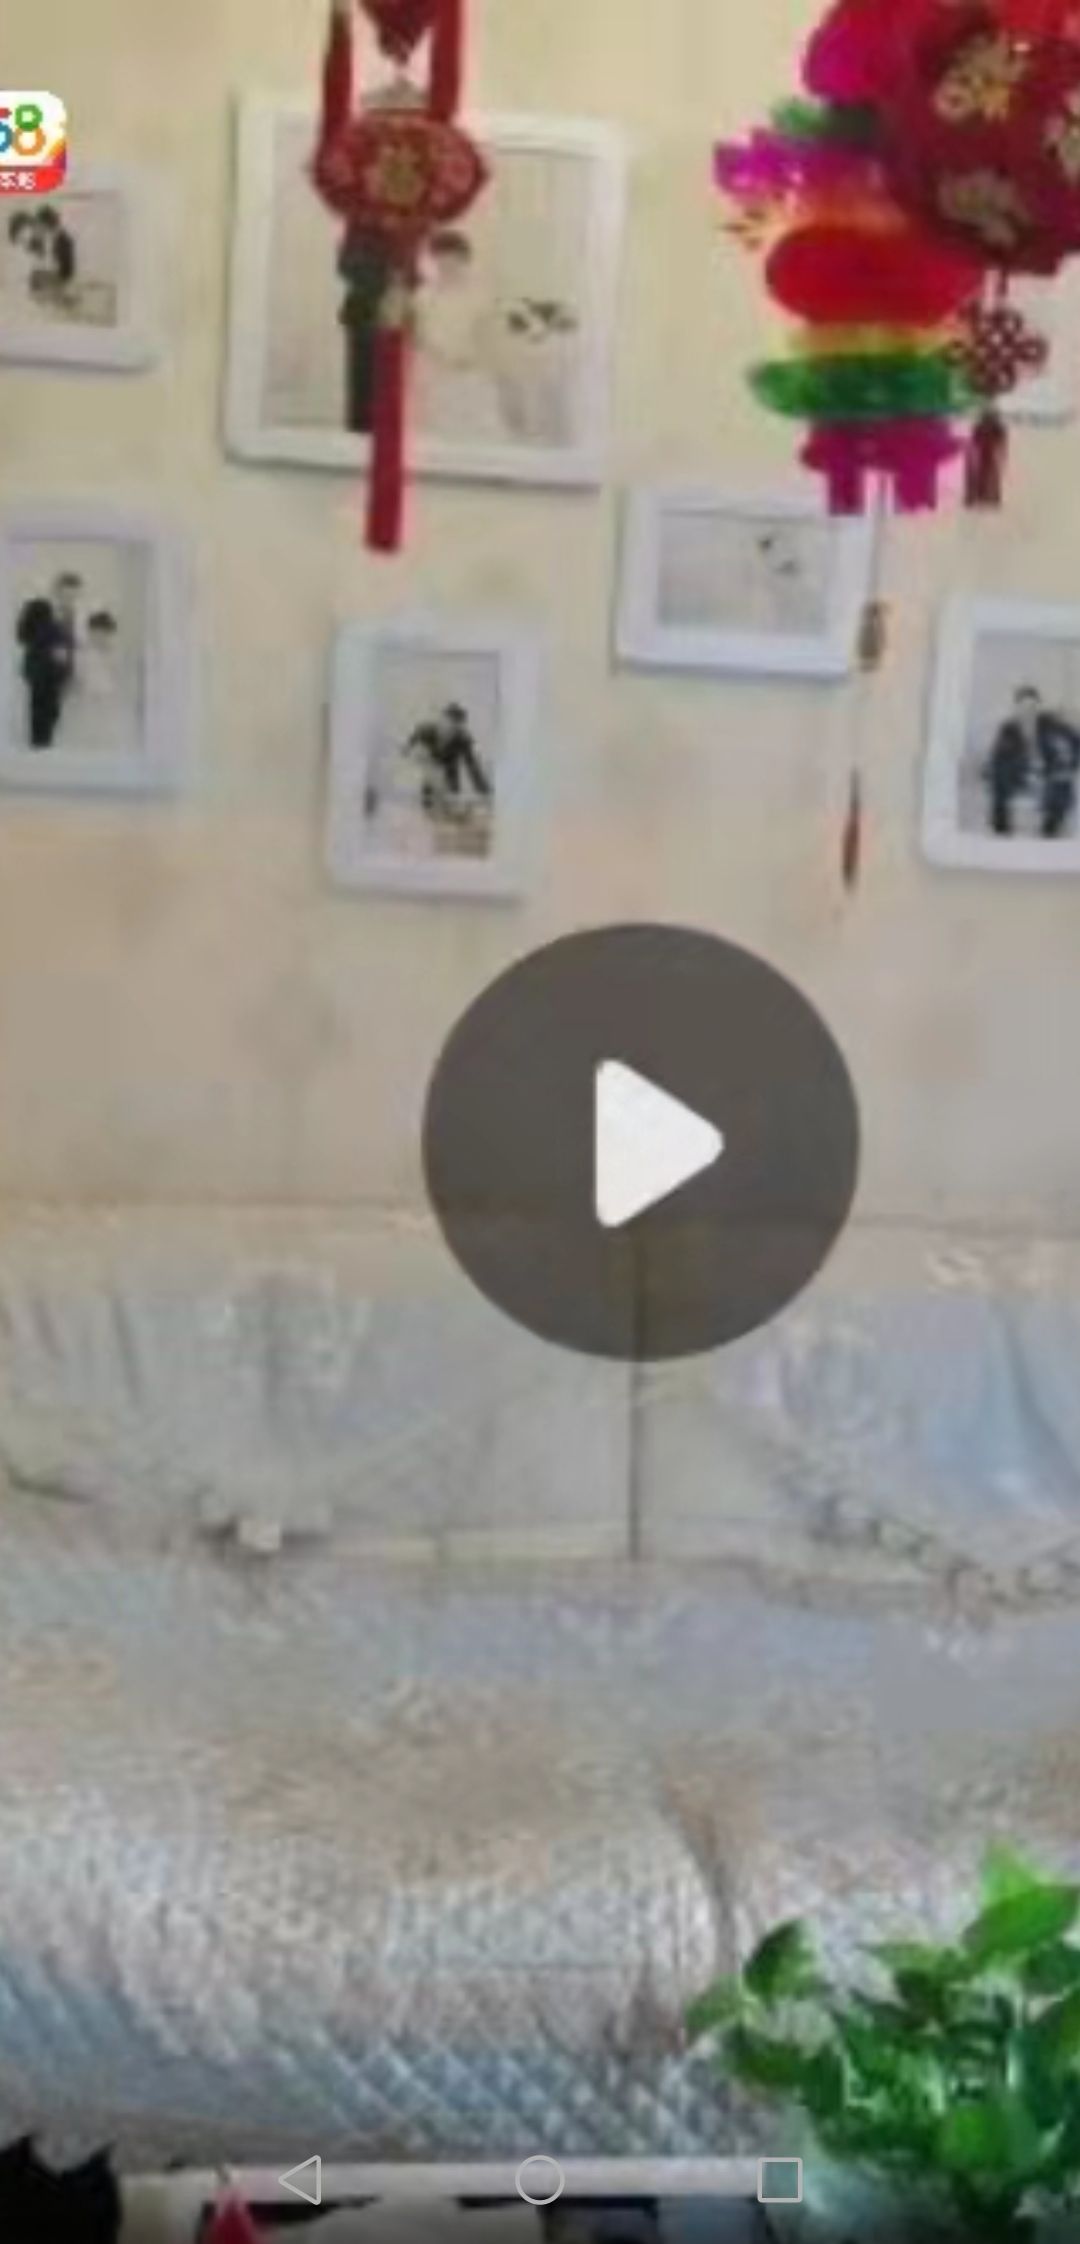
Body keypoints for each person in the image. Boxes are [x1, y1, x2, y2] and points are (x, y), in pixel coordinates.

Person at [984, 686, 1080, 839]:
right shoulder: (1008, 728)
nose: (1028, 711)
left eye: (1032, 706)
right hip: (1020, 773)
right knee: (999, 774)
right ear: (1016, 708)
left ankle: (1051, 829)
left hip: (1047, 771)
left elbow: (1075, 739)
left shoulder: (1050, 723)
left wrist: (1071, 763)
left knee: (1061, 781)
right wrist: (1019, 771)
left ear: (1038, 706)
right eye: (1023, 706)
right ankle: (1001, 827)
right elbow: (998, 755)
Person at [15, 571, 81, 749]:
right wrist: (53, 644)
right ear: (56, 590)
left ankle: (46, 750)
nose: (69, 599)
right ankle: (38, 749)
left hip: (62, 674)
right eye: (65, 594)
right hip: (41, 673)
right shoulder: (39, 607)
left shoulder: (74, 615)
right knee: (41, 719)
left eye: (73, 596)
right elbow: (23, 636)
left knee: (56, 717)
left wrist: (69, 667)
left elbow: (72, 644)